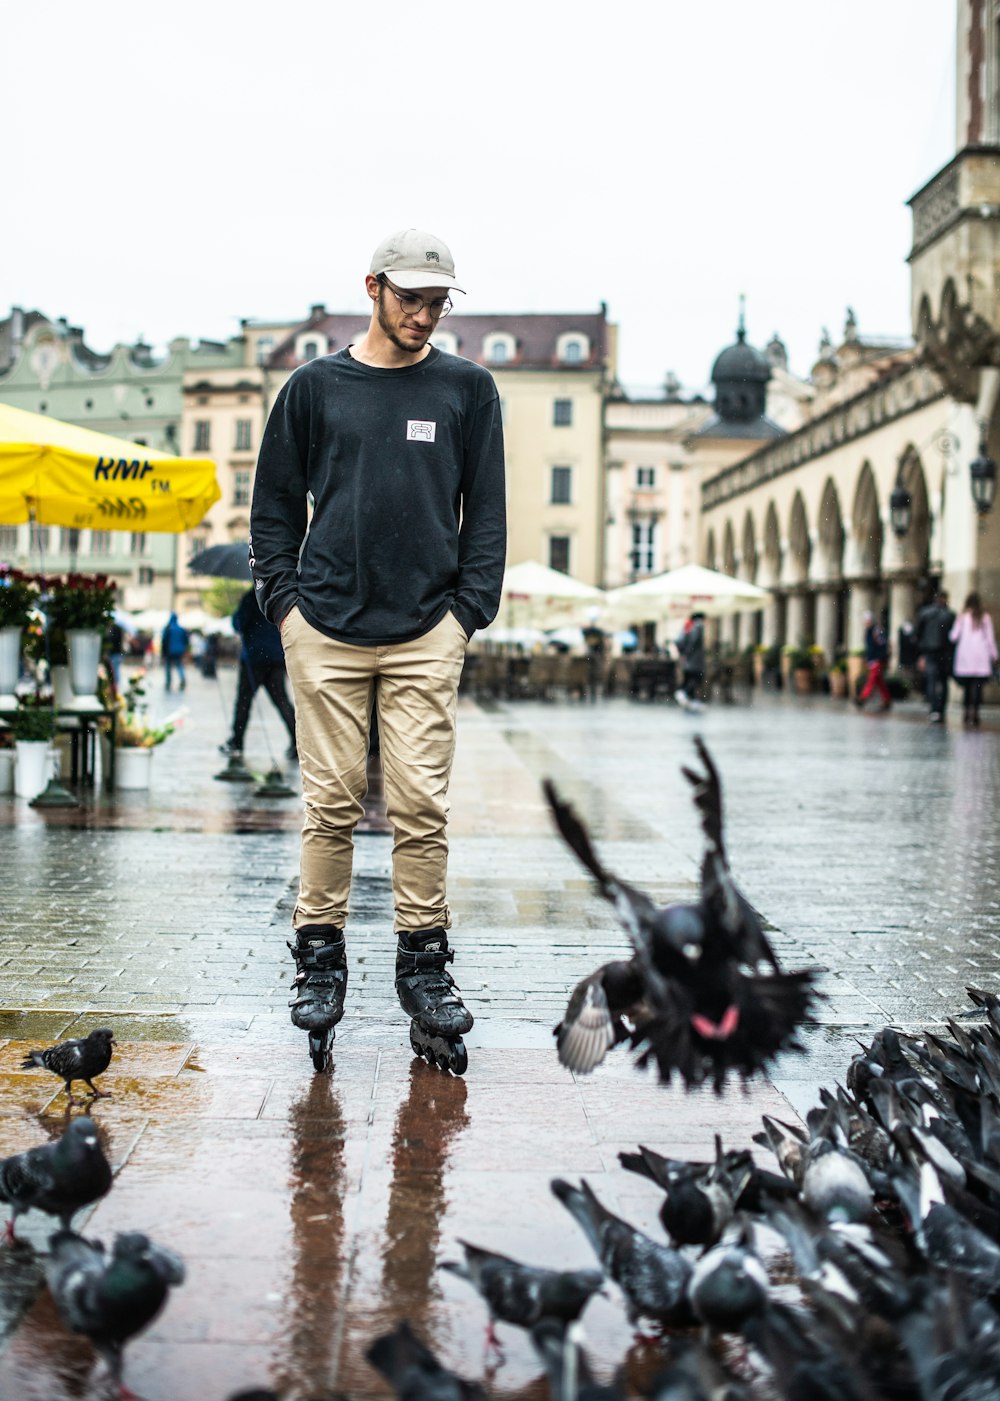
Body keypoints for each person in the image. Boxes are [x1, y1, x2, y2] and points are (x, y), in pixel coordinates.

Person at [249, 227, 506, 1063]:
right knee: (327, 805)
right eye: (410, 298)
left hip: (427, 629)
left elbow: (488, 517)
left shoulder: (469, 390)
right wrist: (284, 606)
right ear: (371, 288)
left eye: (437, 301)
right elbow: (274, 510)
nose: (425, 315)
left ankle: (424, 966)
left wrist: (465, 615)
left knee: (418, 805)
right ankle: (319, 960)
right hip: (321, 627)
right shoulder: (314, 388)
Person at [220, 587, 296, 760]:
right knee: (282, 700)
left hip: (253, 658)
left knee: (244, 702)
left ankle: (237, 742)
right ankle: (297, 742)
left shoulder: (250, 597)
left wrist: (237, 611)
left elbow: (238, 624)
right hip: (276, 657)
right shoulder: (277, 592)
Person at [949, 591, 997, 728]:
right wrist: (994, 655)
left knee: (967, 688)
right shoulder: (985, 617)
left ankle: (966, 712)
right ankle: (975, 713)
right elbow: (990, 638)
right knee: (977, 687)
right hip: (980, 656)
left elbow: (953, 636)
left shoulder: (962, 617)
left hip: (965, 657)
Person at [913, 589, 955, 723]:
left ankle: (933, 709)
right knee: (943, 681)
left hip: (929, 652)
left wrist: (920, 653)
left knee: (931, 681)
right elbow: (954, 637)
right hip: (945, 652)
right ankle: (940, 710)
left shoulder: (925, 613)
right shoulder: (950, 615)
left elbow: (917, 634)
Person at [855, 610, 891, 711]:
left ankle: (863, 697)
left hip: (877, 660)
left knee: (872, 679)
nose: (866, 622)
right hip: (873, 659)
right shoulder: (869, 630)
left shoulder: (876, 630)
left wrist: (877, 658)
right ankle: (886, 699)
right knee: (879, 681)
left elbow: (881, 645)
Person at [674, 612, 706, 711]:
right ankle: (684, 694)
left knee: (689, 678)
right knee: (696, 679)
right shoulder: (698, 626)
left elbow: (680, 641)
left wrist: (684, 654)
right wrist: (687, 654)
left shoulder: (688, 627)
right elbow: (693, 642)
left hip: (688, 662)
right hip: (695, 661)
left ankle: (691, 700)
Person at [160, 612, 189, 693]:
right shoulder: (181, 629)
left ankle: (168, 682)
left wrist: (163, 653)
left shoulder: (168, 629)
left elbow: (164, 641)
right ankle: (182, 679)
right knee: (179, 665)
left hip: (169, 651)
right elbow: (186, 641)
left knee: (168, 667)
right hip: (179, 651)